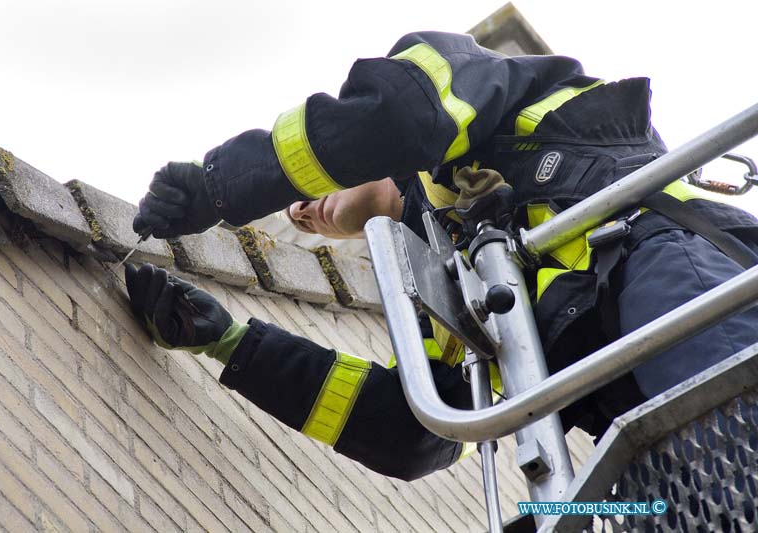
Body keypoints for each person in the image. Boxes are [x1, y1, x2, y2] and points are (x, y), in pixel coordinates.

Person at [126, 31, 758, 480]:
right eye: (293, 207)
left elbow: (399, 117)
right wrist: (232, 343)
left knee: (734, 441)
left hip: (669, 269)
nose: (296, 210)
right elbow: (424, 432)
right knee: (683, 494)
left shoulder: (476, 93)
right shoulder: (444, 285)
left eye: (305, 185)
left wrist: (221, 185)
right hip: (628, 416)